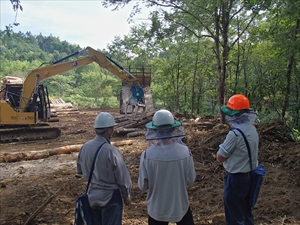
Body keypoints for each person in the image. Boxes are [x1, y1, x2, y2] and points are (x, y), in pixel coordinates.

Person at [138, 109, 196, 225]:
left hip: (157, 208)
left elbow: (143, 186)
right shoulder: (185, 152)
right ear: (173, 129)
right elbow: (190, 179)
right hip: (180, 206)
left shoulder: (147, 155)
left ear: (155, 130)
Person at [76, 112, 132, 225]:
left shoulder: (85, 147)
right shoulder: (112, 151)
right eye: (112, 128)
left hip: (91, 195)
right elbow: (123, 179)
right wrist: (126, 196)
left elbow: (80, 170)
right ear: (108, 130)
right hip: (111, 197)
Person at [216, 94, 259, 225]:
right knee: (246, 212)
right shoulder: (252, 129)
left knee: (234, 215)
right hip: (251, 176)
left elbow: (220, 156)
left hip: (236, 178)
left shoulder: (235, 134)